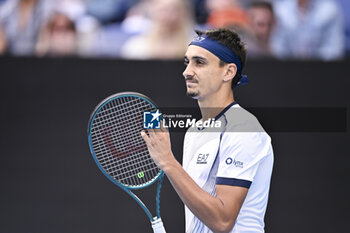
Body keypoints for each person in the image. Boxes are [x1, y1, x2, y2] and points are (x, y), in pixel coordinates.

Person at [141, 28, 274, 233]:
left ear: (228, 72)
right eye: (187, 62)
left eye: (199, 62)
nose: (187, 71)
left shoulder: (244, 128)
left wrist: (168, 161)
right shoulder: (194, 132)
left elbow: (222, 221)